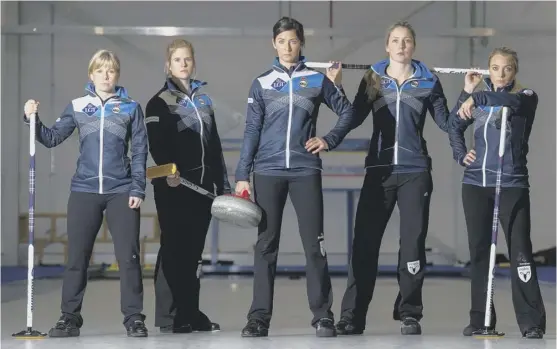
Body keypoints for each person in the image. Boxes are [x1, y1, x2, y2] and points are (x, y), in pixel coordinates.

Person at [325, 21, 451, 335]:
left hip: (415, 173)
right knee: (365, 244)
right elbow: (352, 117)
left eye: (407, 40)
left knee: (412, 245)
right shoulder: (373, 78)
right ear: (387, 45)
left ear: (413, 46)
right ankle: (352, 316)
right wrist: (335, 90)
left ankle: (410, 312)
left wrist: (469, 95)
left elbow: (448, 124)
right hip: (379, 173)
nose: (401, 45)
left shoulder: (428, 81)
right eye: (395, 40)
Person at [234, 17, 356, 338]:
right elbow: (251, 131)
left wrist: (328, 139)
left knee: (314, 246)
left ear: (301, 43)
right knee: (265, 246)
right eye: (282, 41)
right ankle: (258, 318)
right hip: (267, 171)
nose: (288, 47)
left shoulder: (316, 80)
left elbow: (348, 112)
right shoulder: (261, 83)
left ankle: (323, 316)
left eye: (294, 41)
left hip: (305, 170)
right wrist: (242, 175)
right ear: (273, 43)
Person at [22, 49, 149, 337]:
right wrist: (32, 119)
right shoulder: (78, 106)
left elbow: (140, 150)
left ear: (117, 74)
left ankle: (134, 318)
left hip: (121, 190)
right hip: (84, 189)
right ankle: (69, 318)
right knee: (77, 257)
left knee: (128, 257)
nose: (106, 75)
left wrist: (138, 187)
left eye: (111, 70)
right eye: (100, 70)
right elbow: (52, 138)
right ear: (91, 74)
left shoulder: (131, 107)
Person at [448, 46, 546, 339]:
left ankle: (532, 322)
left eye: (508, 69)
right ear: (487, 69)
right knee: (480, 253)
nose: (501, 74)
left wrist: (475, 96)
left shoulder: (525, 97)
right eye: (495, 68)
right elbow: (454, 124)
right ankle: (481, 318)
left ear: (515, 72)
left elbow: (508, 101)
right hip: (476, 184)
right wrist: (460, 152)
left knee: (520, 252)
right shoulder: (478, 98)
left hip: (512, 182)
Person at [145, 38, 231, 334]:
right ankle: (171, 315)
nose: (183, 64)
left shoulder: (204, 101)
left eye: (187, 59)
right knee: (174, 249)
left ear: (193, 63)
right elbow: (157, 145)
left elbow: (214, 144)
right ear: (168, 65)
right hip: (173, 186)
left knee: (194, 253)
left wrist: (224, 184)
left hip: (203, 189)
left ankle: (190, 311)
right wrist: (170, 171)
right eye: (177, 59)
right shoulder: (159, 102)